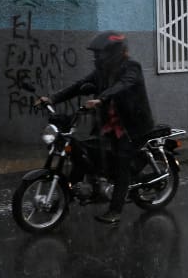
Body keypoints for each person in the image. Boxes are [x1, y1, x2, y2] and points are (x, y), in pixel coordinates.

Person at [37, 31, 155, 224]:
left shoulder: (131, 67)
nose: (97, 57)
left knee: (122, 163)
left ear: (113, 52)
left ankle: (115, 210)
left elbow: (123, 85)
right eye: (96, 54)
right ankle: (68, 198)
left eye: (101, 53)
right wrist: (52, 98)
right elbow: (79, 85)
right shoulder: (101, 72)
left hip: (131, 127)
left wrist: (101, 97)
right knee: (83, 156)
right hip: (108, 125)